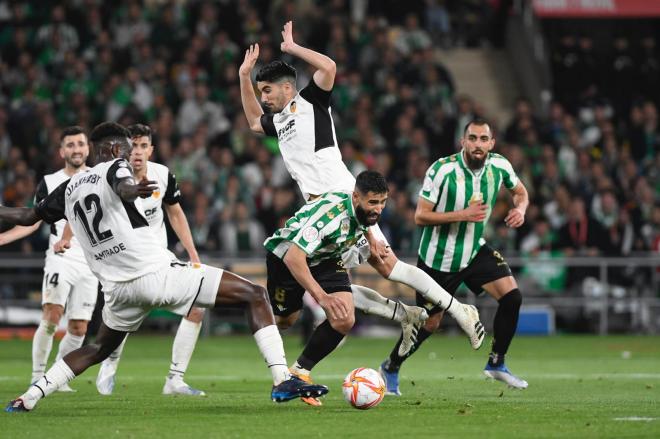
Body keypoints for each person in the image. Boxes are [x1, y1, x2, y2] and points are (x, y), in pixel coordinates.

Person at [3, 122, 327, 413]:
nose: (131, 155)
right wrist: (133, 190)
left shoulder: (68, 188)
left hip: (117, 290)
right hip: (156, 275)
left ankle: (31, 395)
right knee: (255, 294)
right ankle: (282, 378)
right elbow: (121, 184)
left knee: (98, 347)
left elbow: (27, 217)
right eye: (128, 149)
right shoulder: (117, 166)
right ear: (116, 149)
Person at [238, 21, 484, 364]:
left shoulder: (310, 102)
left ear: (286, 87)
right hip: (321, 208)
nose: (263, 98)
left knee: (385, 264)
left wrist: (292, 48)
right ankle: (409, 315)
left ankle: (459, 310)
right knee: (343, 279)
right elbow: (252, 121)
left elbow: (329, 67)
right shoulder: (279, 121)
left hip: (342, 200)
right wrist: (244, 76)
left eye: (266, 91)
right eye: (260, 92)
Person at [379, 118, 530, 394]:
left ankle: (497, 363)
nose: (478, 144)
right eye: (472, 138)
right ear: (463, 141)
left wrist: (520, 210)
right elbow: (420, 216)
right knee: (430, 324)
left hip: (473, 251)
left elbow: (520, 192)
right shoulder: (442, 170)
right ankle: (391, 365)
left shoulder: (500, 165)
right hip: (437, 261)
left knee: (512, 297)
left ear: (491, 144)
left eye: (484, 139)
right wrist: (462, 215)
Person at [90, 124, 206, 396]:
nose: (138, 152)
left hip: (159, 260)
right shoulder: (111, 178)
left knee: (196, 306)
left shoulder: (163, 175)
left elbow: (175, 214)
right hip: (126, 265)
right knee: (120, 321)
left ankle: (175, 380)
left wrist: (192, 253)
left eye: (144, 146)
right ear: (123, 149)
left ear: (151, 149)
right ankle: (110, 363)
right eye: (134, 146)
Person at [263, 171, 387, 404]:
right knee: (285, 321)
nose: (378, 209)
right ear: (356, 197)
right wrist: (321, 297)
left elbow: (365, 220)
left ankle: (300, 372)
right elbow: (294, 257)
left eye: (382, 202)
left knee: (344, 319)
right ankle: (252, 309)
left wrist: (372, 240)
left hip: (326, 258)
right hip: (286, 256)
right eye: (373, 202)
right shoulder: (330, 218)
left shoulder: (361, 207)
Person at [0, 126, 97, 392]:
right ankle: (37, 375)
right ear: (61, 151)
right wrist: (3, 238)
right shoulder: (49, 182)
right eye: (70, 145)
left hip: (92, 261)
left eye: (80, 144)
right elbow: (33, 221)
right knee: (52, 314)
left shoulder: (99, 178)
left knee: (79, 327)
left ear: (88, 148)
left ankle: (57, 377)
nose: (76, 149)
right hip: (60, 257)